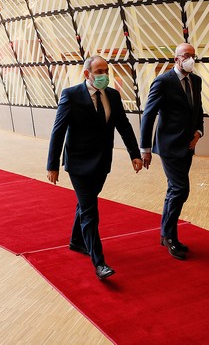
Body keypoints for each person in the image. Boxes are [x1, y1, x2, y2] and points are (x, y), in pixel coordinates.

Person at [47, 55, 143, 280]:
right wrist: (53, 165)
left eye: (106, 71)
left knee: (85, 204)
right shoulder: (71, 95)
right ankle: (99, 263)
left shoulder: (113, 95)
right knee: (90, 210)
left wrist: (134, 154)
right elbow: (58, 131)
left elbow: (124, 126)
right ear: (87, 73)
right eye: (99, 71)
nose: (104, 75)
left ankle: (76, 241)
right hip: (78, 163)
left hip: (102, 162)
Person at [139, 43, 204, 260]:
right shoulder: (163, 81)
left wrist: (198, 132)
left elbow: (198, 109)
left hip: (188, 145)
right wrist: (145, 148)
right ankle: (170, 237)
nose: (190, 59)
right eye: (186, 55)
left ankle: (165, 234)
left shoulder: (196, 81)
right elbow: (149, 114)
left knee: (174, 190)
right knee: (180, 189)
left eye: (193, 55)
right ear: (176, 59)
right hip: (169, 146)